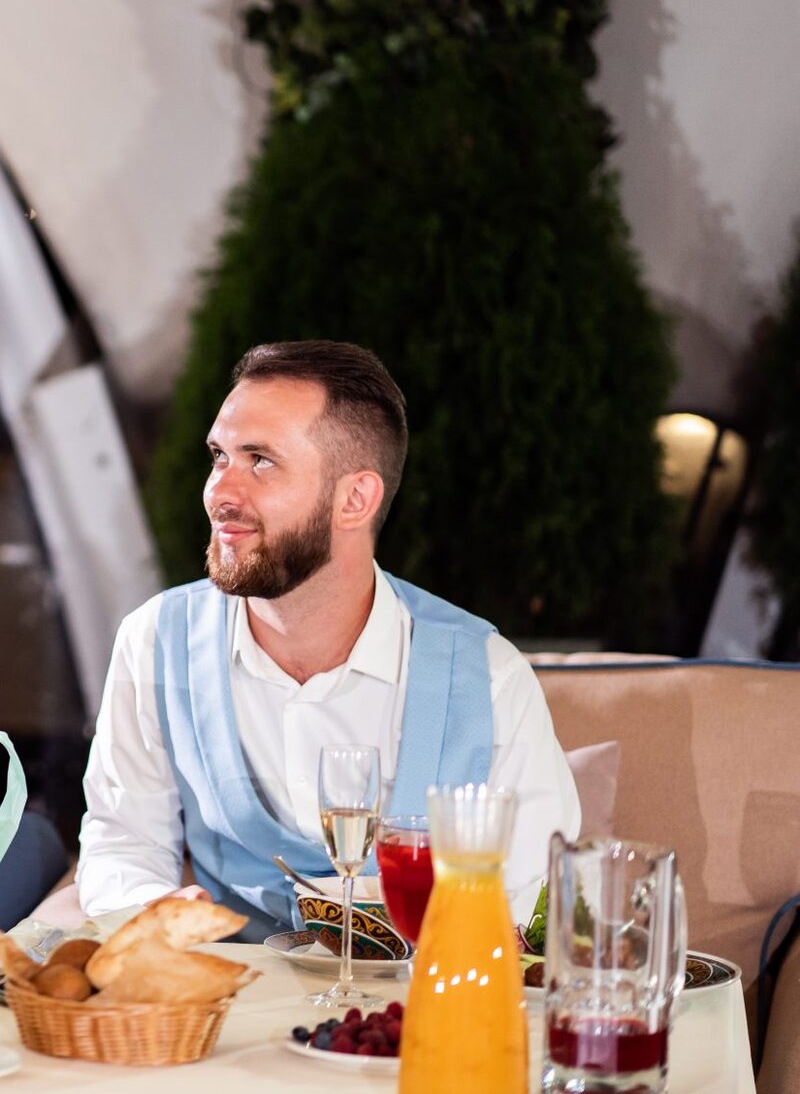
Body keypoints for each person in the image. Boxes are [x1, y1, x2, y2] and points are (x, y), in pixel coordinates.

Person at [76, 341, 576, 937]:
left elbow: (537, 901)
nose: (220, 493)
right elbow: (123, 841)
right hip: (228, 1008)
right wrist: (155, 916)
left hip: (414, 1011)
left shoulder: (489, 677)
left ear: (355, 499)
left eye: (260, 460)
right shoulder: (155, 640)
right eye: (219, 456)